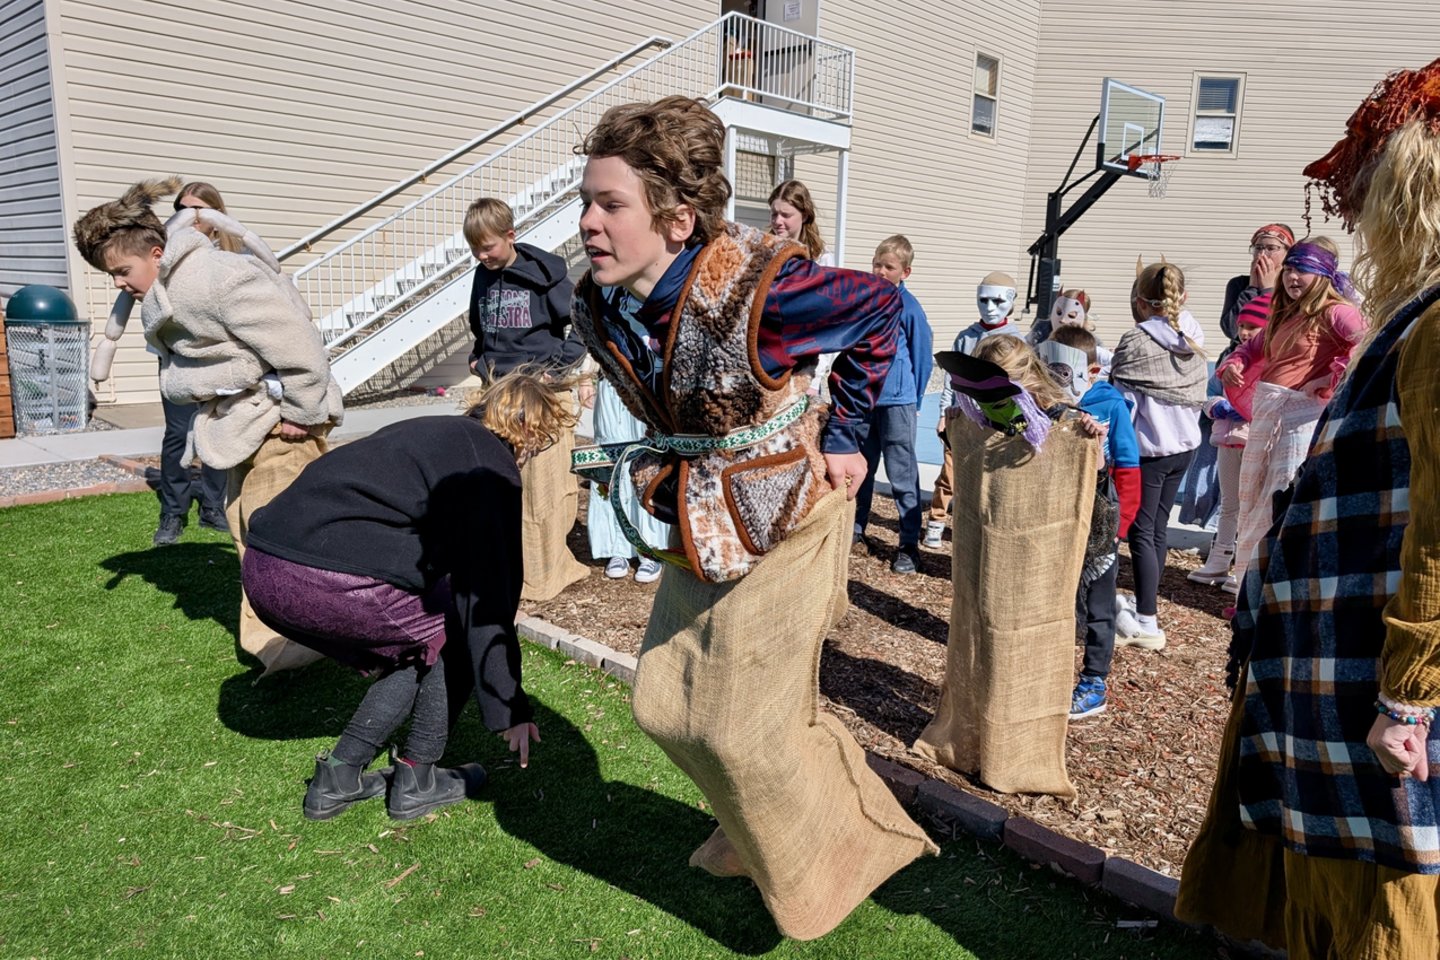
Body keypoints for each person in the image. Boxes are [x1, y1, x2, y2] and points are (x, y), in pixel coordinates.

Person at [568, 95, 935, 941]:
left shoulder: (766, 289)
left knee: (737, 728)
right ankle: (752, 825)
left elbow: (882, 309)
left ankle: (850, 843)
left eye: (610, 204)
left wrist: (846, 434)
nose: (588, 222)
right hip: (698, 519)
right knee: (661, 707)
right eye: (586, 201)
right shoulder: (603, 302)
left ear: (677, 219)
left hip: (785, 515)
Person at [1176, 57, 1440, 958]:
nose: (1356, 212)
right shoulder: (1415, 314)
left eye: (1367, 187)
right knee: (1337, 882)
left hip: (1373, 672)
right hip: (1336, 649)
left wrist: (1409, 699)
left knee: (1389, 895)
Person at [241, 370, 558, 820]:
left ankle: (339, 778)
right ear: (530, 435)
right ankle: (415, 778)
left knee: (418, 632)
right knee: (449, 631)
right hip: (322, 579)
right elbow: (489, 598)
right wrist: (510, 706)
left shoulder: (430, 431)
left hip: (262, 567)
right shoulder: (490, 467)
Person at [72, 177, 344, 675]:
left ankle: (325, 632)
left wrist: (300, 415)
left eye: (121, 271)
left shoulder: (218, 277)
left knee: (280, 536)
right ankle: (283, 647)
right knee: (247, 529)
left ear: (156, 253)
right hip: (241, 424)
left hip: (280, 421)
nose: (118, 284)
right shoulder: (168, 287)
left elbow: (298, 344)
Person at [915, 335, 1099, 796]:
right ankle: (970, 738)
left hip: (1036, 562)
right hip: (983, 555)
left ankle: (1019, 753)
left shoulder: (1060, 419)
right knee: (978, 637)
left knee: (1024, 646)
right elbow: (962, 444)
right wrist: (953, 424)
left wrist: (1088, 437)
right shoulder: (973, 418)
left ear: (1028, 379)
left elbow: (1082, 461)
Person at [1217, 236, 1365, 593]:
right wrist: (1234, 364)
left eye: (1302, 270)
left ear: (1323, 275)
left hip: (1300, 419)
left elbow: (1366, 342)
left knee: (1282, 501)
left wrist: (1329, 377)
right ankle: (1248, 592)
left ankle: (1278, 594)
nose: (1292, 277)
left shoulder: (1336, 312)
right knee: (1252, 501)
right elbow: (1251, 347)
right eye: (1289, 269)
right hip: (1267, 416)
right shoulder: (1285, 313)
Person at [462, 197, 589, 603]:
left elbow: (582, 322)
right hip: (495, 391)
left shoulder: (544, 277)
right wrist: (479, 358)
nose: (481, 256)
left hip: (536, 393)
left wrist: (557, 369)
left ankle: (541, 569)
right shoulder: (482, 275)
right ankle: (501, 564)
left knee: (539, 487)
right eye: (475, 250)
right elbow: (480, 326)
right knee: (495, 480)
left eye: (488, 247)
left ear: (510, 236)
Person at [1109, 260, 1207, 650]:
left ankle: (1147, 622)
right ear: (1183, 297)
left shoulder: (1136, 341)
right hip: (1185, 447)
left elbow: (1125, 404)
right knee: (1158, 530)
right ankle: (1146, 605)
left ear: (1139, 301)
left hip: (1150, 450)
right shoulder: (1194, 332)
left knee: (1141, 534)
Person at [1045, 326, 1140, 720]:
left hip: (1101, 520)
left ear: (1093, 371)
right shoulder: (1045, 402)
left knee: (1099, 606)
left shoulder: (1110, 405)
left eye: (1065, 373)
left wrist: (1119, 529)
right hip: (1056, 518)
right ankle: (1047, 673)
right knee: (1056, 602)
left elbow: (1129, 467)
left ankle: (1094, 682)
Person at [144, 182, 237, 545]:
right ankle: (173, 512)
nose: (190, 217)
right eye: (182, 209)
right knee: (178, 433)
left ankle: (213, 507)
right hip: (176, 356)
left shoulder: (233, 254)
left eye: (198, 210)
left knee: (215, 428)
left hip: (219, 357)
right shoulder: (164, 254)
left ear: (216, 215)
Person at [924, 271, 1025, 549]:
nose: (990, 308)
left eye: (998, 301)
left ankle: (976, 530)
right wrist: (944, 413)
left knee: (988, 480)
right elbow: (951, 378)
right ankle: (936, 521)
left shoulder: (1018, 341)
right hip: (962, 417)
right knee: (950, 473)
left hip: (998, 422)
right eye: (984, 300)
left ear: (1011, 301)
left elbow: (1022, 385)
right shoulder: (966, 337)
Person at [852, 235, 933, 573]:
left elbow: (922, 356)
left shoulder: (909, 308)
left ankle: (908, 544)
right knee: (860, 467)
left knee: (902, 473)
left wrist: (915, 399)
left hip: (898, 402)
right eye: (877, 265)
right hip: (865, 400)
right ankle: (855, 529)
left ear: (905, 272)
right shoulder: (867, 301)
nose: (881, 272)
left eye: (889, 267)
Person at [1186, 298, 1269, 590]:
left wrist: (1247, 409)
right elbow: (1209, 394)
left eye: (1252, 327)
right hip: (1227, 440)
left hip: (1255, 442)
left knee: (1252, 506)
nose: (1244, 332)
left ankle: (1245, 569)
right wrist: (1217, 406)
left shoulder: (1272, 361)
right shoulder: (1231, 358)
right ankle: (1219, 560)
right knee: (1229, 504)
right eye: (1242, 325)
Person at [587, 372, 669, 583]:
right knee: (611, 455)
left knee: (647, 456)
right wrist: (585, 378)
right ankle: (617, 547)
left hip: (647, 379)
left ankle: (651, 548)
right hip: (611, 380)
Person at [1219, 223, 1294, 350]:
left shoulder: (1292, 285)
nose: (1262, 254)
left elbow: (1282, 330)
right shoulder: (1239, 284)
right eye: (1258, 248)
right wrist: (1252, 288)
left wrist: (1268, 291)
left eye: (1271, 248)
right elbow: (1231, 330)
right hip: (1241, 354)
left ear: (1287, 253)